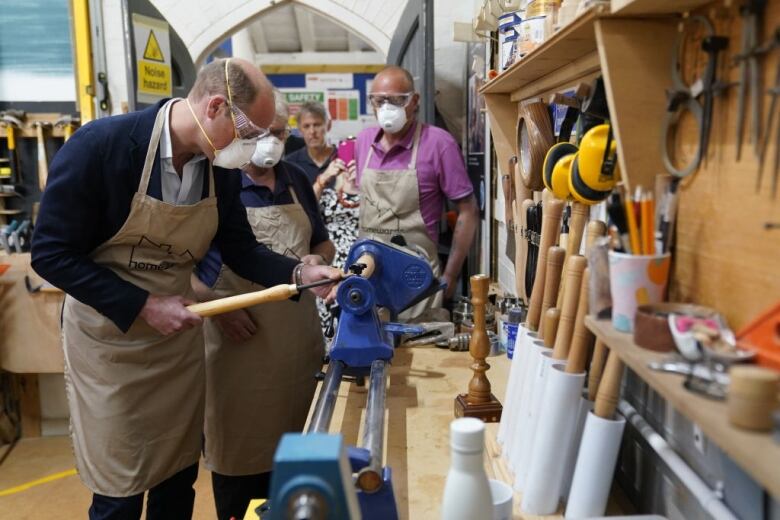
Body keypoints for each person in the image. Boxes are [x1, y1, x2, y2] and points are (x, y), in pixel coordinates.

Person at [30, 58, 340, 520]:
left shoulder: (218, 169)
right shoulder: (102, 148)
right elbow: (50, 253)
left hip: (175, 346)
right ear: (215, 106)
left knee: (177, 480)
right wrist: (143, 305)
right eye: (251, 133)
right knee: (121, 490)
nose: (255, 146)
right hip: (111, 348)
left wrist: (299, 275)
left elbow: (241, 250)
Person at [191, 91, 335, 520]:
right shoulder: (217, 182)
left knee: (298, 474)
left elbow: (321, 242)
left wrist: (316, 261)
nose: (270, 141)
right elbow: (183, 269)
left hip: (297, 345)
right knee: (243, 470)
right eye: (262, 133)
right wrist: (219, 309)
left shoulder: (295, 178)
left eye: (279, 133)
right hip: (239, 351)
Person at [356, 65, 479, 318]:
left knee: (420, 352)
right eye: (379, 100)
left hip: (417, 281)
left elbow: (468, 211)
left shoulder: (438, 143)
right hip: (368, 276)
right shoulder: (363, 142)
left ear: (414, 101)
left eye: (397, 100)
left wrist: (450, 275)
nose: (387, 108)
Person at [316, 157, 360, 331]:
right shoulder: (328, 195)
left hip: (361, 266)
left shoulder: (373, 195)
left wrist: (365, 180)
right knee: (327, 324)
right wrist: (323, 179)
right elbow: (305, 210)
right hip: (329, 267)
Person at [285, 100, 345, 199]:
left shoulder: (343, 160)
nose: (312, 131)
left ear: (328, 125)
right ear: (300, 129)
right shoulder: (290, 164)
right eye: (306, 126)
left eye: (317, 125)